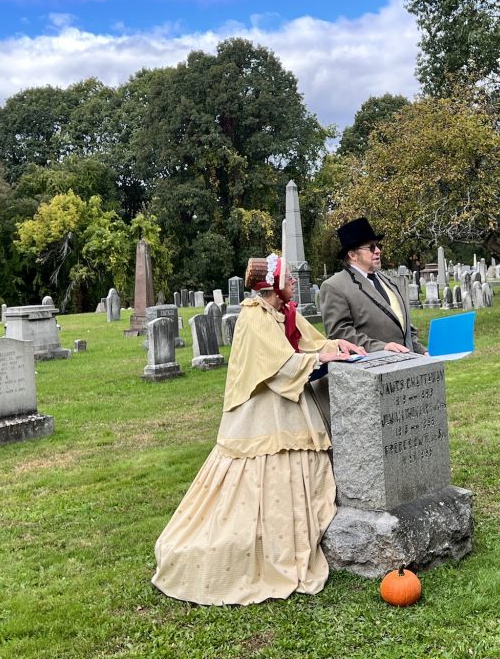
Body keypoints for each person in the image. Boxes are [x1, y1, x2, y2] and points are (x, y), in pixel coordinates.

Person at [151, 254, 364, 606]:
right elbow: (278, 365)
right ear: (273, 283)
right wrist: (322, 359)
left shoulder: (286, 312)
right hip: (265, 411)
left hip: (292, 403)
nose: (295, 282)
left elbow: (310, 343)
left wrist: (336, 347)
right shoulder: (254, 315)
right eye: (289, 277)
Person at [318, 217, 426, 354]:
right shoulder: (335, 286)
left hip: (407, 365)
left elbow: (403, 324)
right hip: (373, 368)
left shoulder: (388, 281)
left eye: (378, 246)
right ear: (352, 255)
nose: (378, 251)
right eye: (371, 247)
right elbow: (340, 334)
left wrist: (421, 351)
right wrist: (382, 347)